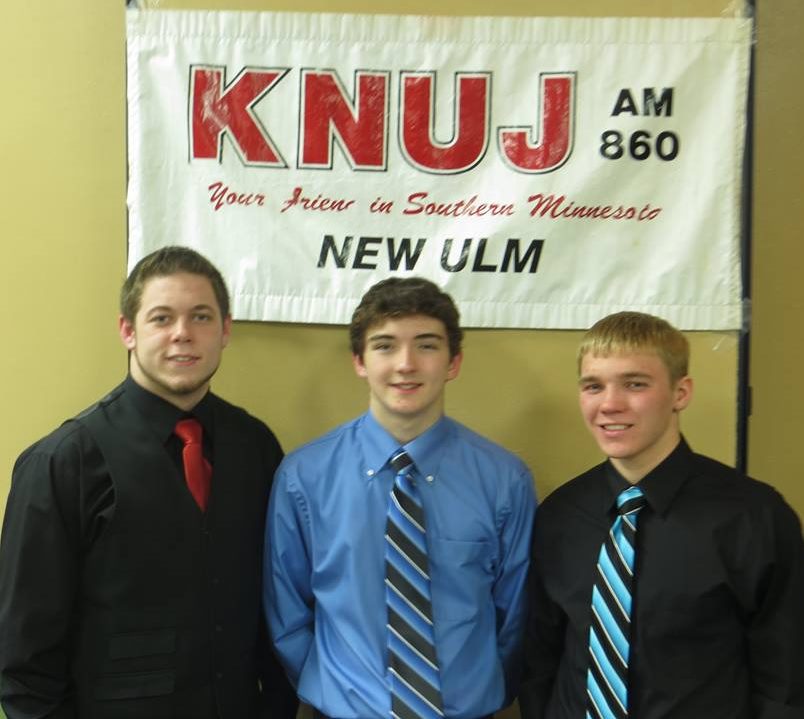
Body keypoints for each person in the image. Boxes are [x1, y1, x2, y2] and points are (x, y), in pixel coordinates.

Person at [0, 246, 297, 719]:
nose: (182, 334)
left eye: (201, 317)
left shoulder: (256, 447)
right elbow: (25, 654)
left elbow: (277, 606)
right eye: (161, 318)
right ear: (128, 331)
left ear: (225, 331)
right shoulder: (62, 463)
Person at [264, 276, 537, 719]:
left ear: (453, 362)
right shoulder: (303, 477)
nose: (406, 364)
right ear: (359, 361)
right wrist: (336, 693)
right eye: (385, 346)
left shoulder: (505, 479)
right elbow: (288, 615)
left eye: (427, 345)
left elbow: (515, 620)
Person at [519, 311, 804, 718]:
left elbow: (785, 680)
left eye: (635, 384)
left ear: (680, 393)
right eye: (593, 386)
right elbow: (540, 659)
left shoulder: (753, 516)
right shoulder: (560, 515)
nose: (610, 404)